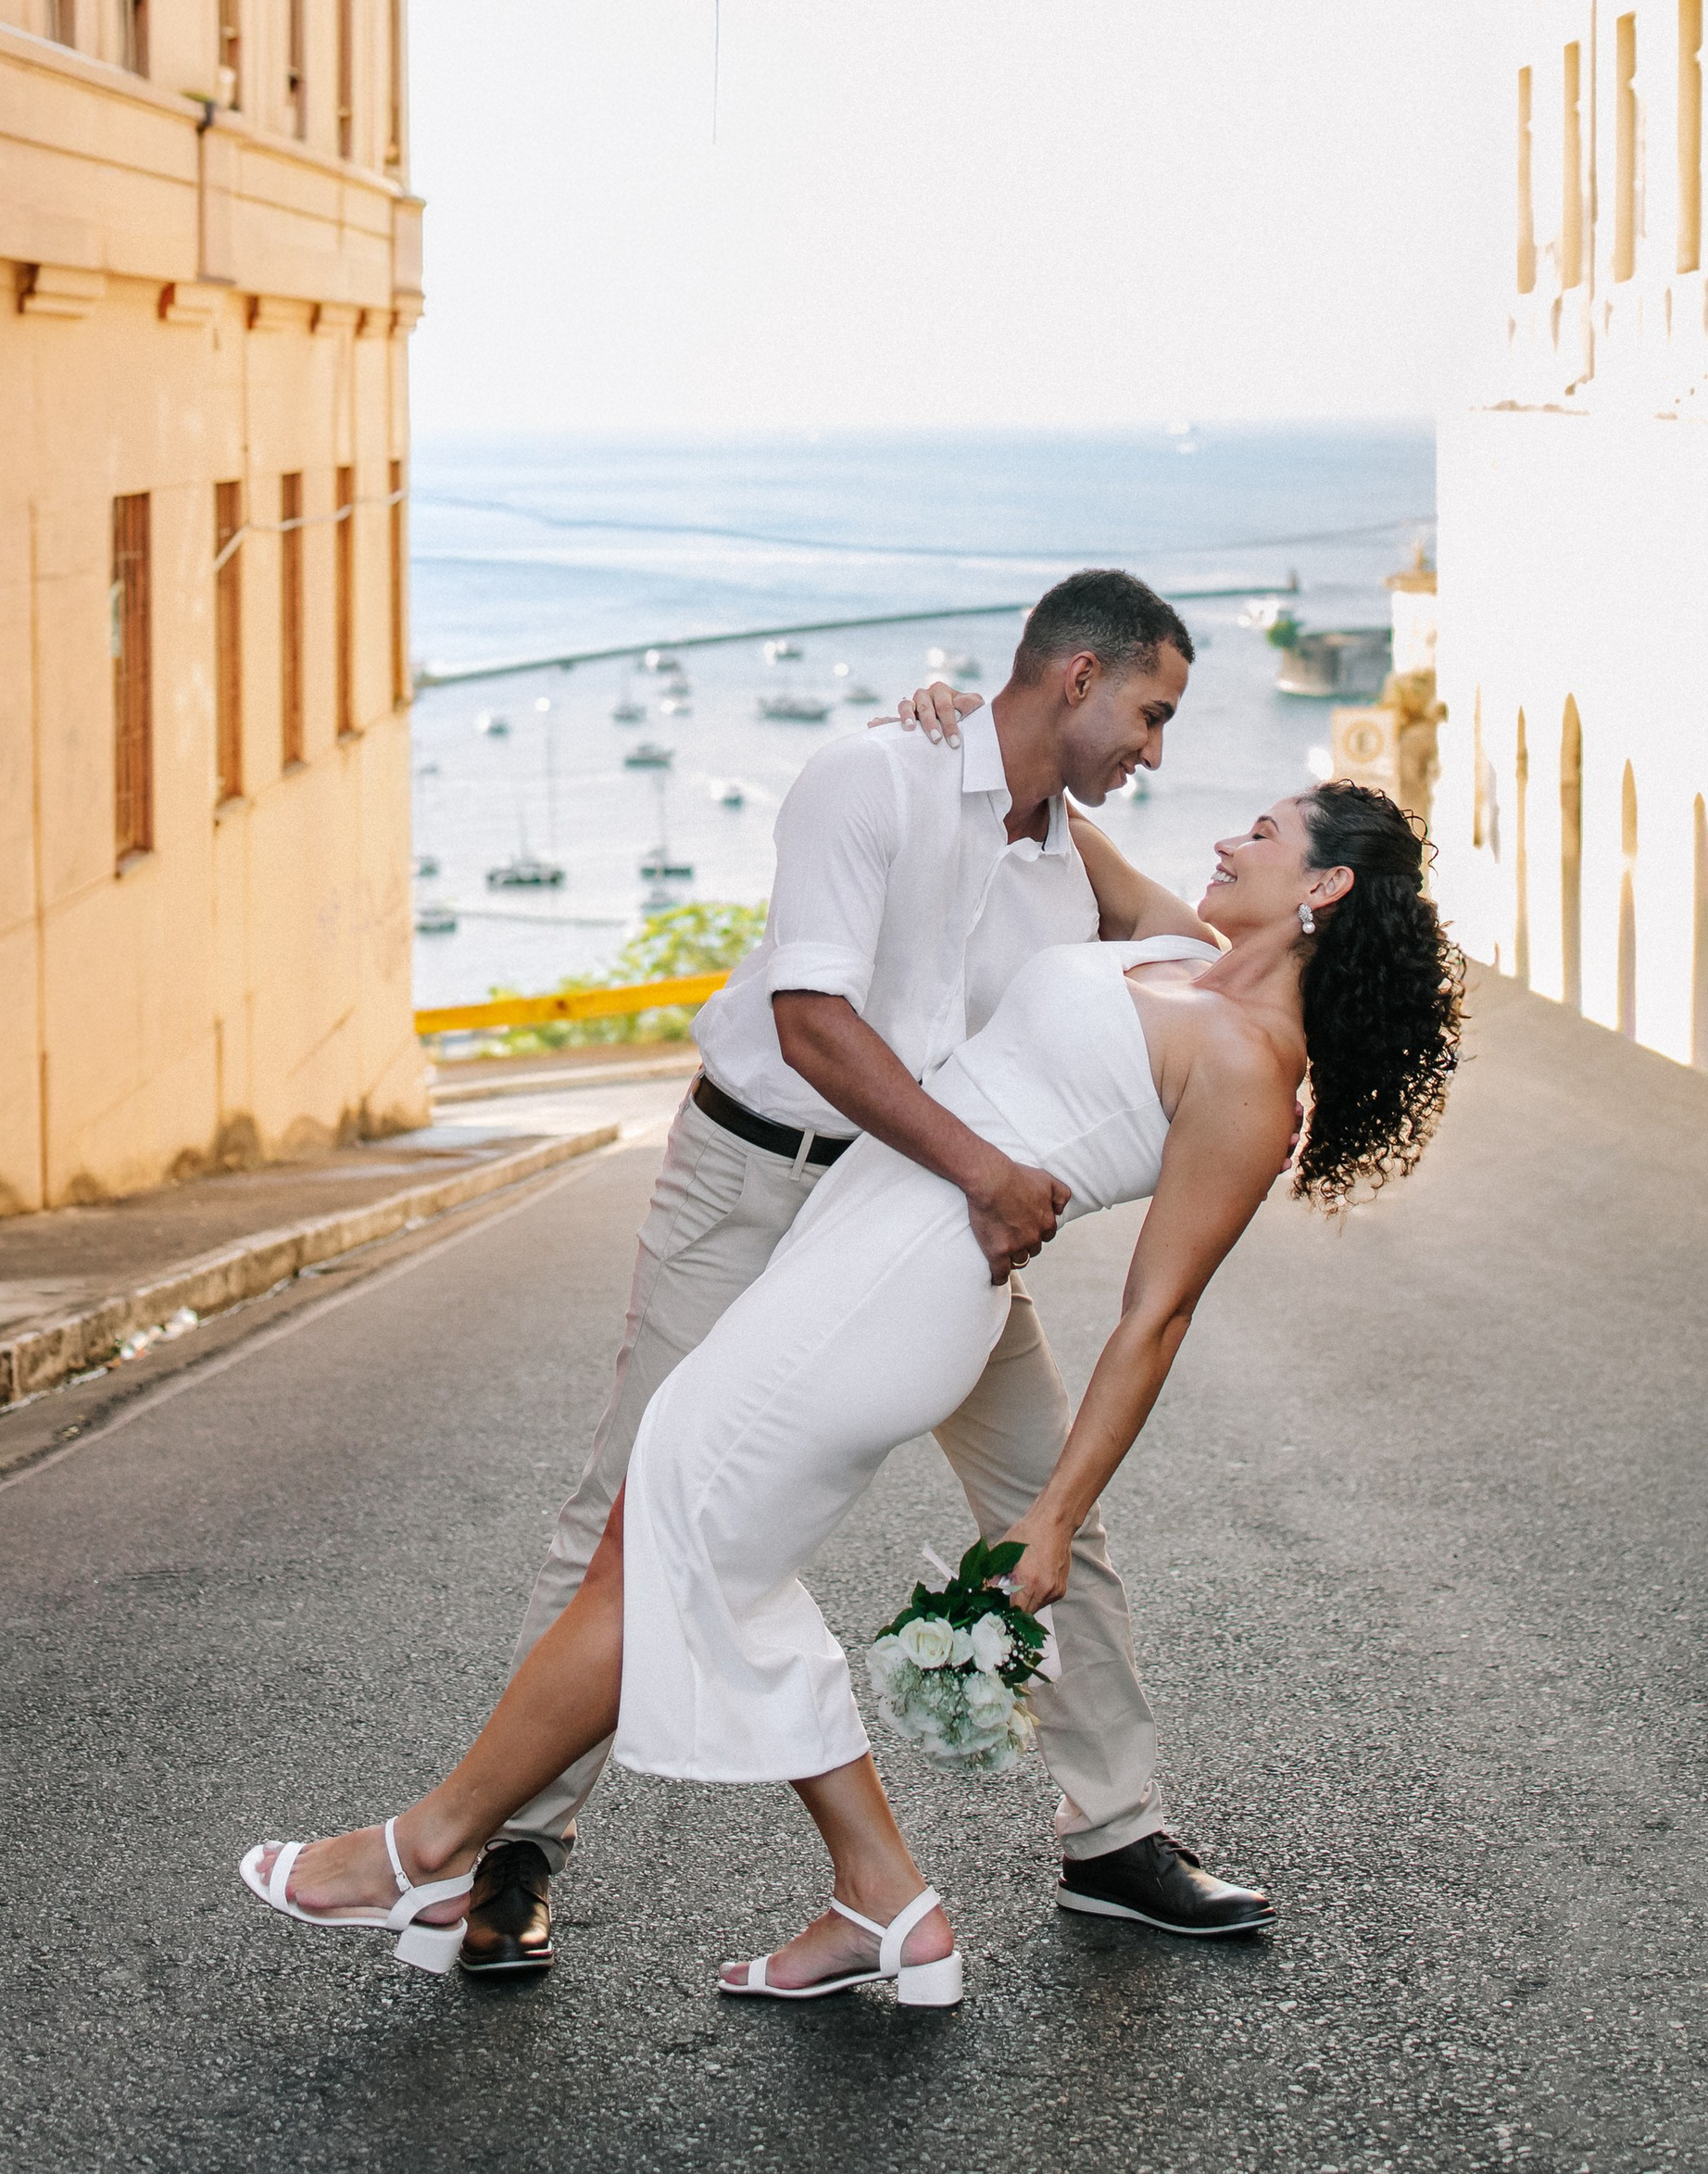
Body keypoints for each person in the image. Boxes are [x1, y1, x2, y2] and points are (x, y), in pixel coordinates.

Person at [241, 776, 1465, 2002]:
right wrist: (967, 735)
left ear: (1325, 884)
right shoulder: (1172, 950)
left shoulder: (1252, 1072)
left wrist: (1051, 1518)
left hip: (907, 1284)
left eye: (1263, 831)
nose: (1223, 835)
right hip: (862, 1233)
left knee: (678, 1536)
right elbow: (1060, 805)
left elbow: (1158, 1316)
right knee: (677, 1535)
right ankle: (877, 1898)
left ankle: (425, 1850)